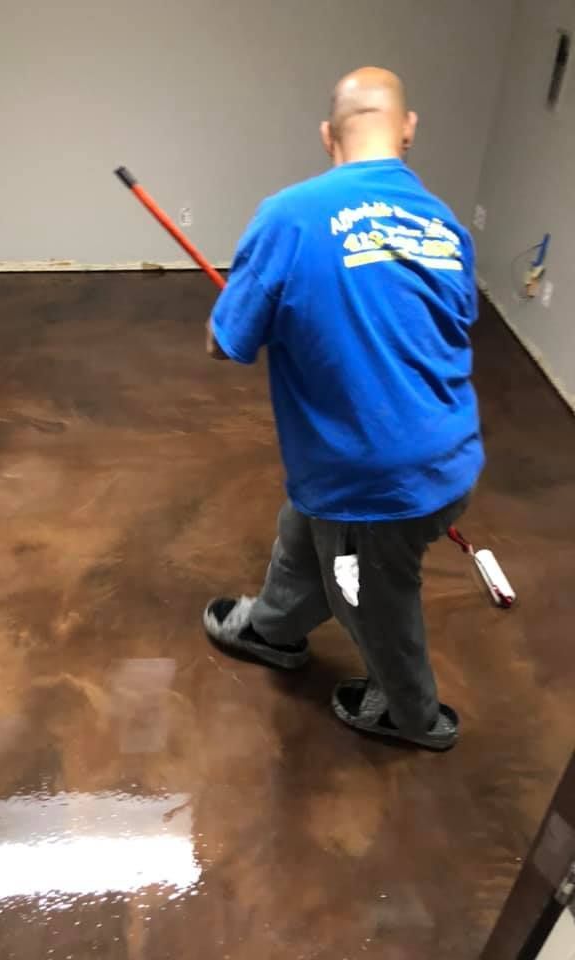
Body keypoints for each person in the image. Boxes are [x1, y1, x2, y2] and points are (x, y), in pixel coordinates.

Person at [203, 67, 484, 751]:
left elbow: (224, 344)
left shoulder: (289, 216)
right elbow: (446, 323)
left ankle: (411, 713)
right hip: (448, 453)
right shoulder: (446, 225)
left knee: (369, 596)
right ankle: (272, 628)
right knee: (305, 529)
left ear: (328, 135)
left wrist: (254, 310)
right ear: (408, 130)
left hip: (373, 478)